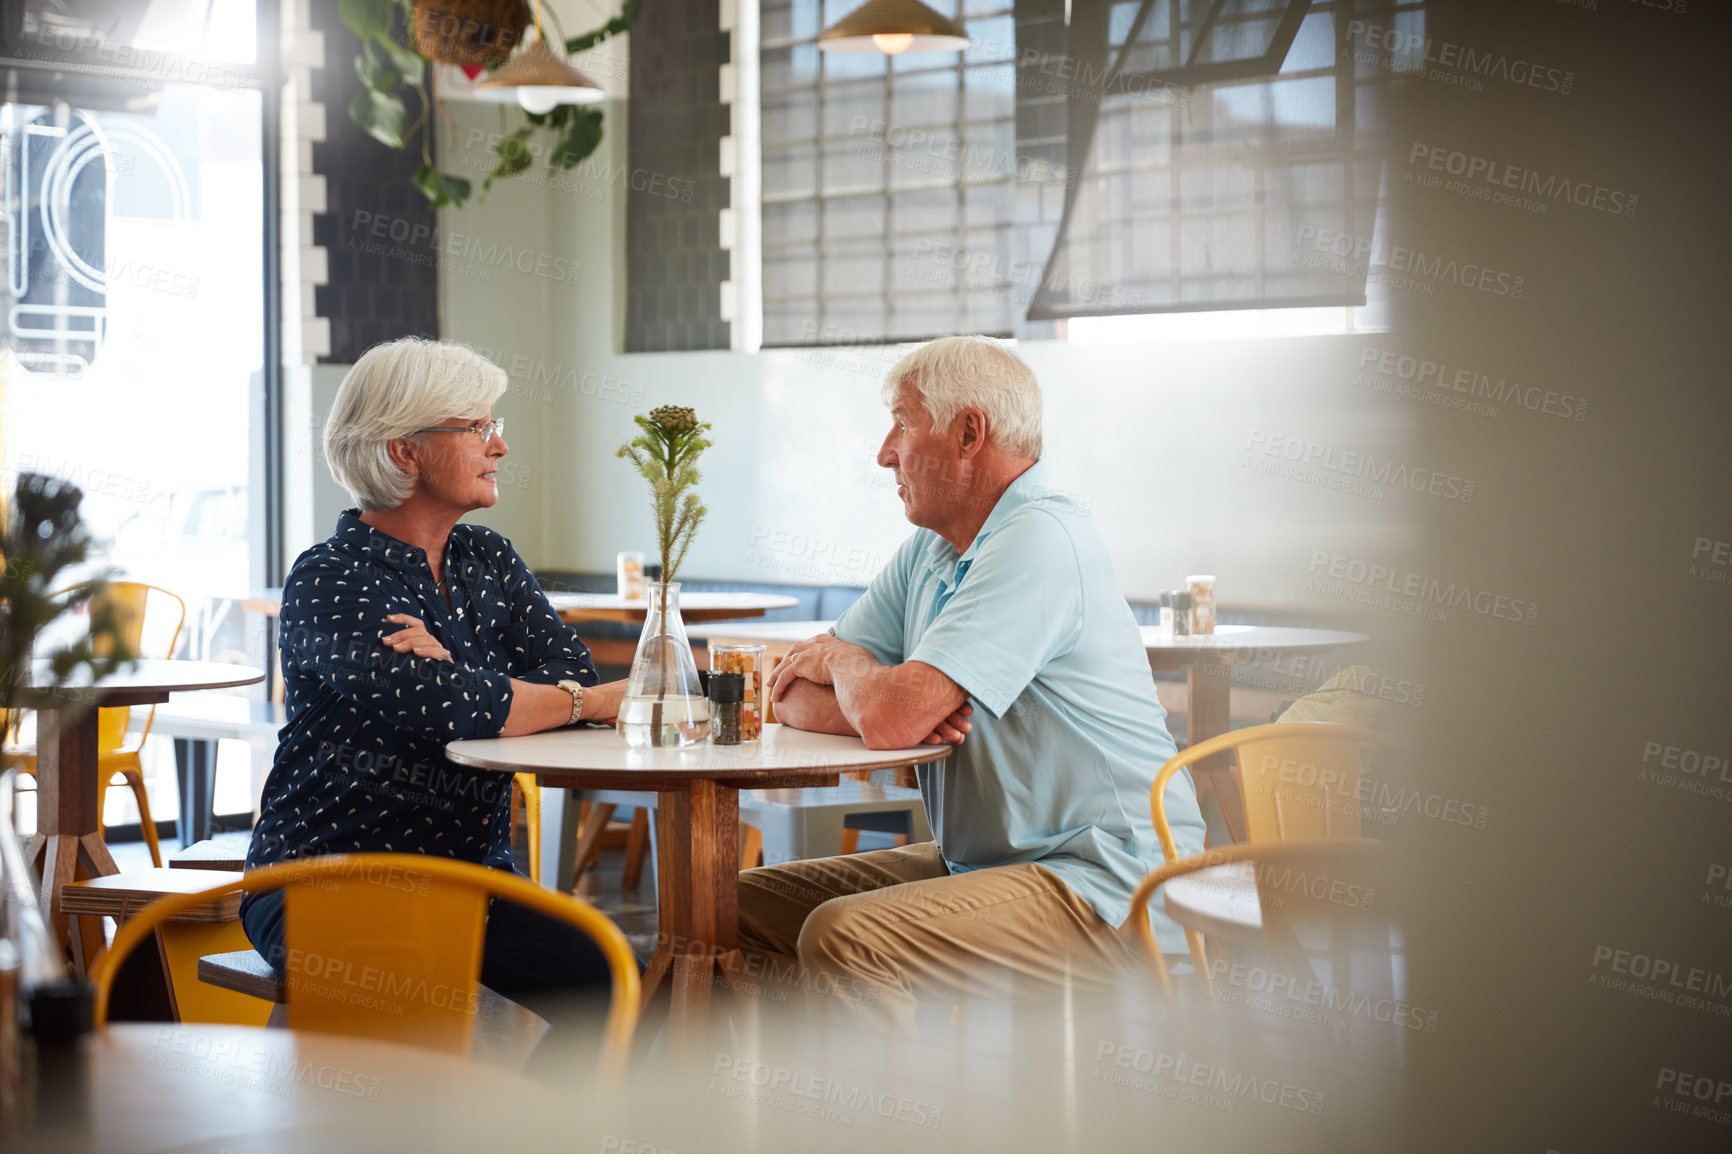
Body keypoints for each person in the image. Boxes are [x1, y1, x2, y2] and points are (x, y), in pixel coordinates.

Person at [744, 334, 1206, 1033]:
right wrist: (886, 699)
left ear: (968, 433)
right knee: (736, 908)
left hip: (1106, 884)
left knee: (844, 937)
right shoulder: (932, 550)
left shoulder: (1040, 538)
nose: (884, 451)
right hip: (985, 867)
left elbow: (882, 714)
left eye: (902, 421)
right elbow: (786, 693)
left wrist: (849, 670)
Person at [243, 337, 628, 1035]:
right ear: (404, 451)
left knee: (605, 983)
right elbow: (453, 708)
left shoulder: (488, 556)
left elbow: (562, 668)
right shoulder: (330, 577)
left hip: (470, 879)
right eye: (478, 427)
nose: (500, 446)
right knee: (404, 1025)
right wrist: (580, 702)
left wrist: (459, 672)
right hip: (326, 882)